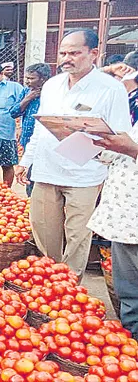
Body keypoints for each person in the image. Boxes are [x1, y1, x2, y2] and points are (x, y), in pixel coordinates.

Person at [15, 28, 132, 281]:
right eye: (63, 53)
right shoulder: (52, 85)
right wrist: (26, 161)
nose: (66, 58)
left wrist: (93, 150)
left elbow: (120, 136)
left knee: (78, 235)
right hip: (46, 170)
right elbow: (40, 127)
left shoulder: (111, 89)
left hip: (85, 174)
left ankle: (70, 286)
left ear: (94, 54)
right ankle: (50, 278)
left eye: (74, 53)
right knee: (44, 230)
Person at [87, 124, 138, 339]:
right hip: (126, 219)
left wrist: (133, 149)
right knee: (128, 293)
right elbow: (118, 156)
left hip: (130, 217)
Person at [11, 63, 52, 196]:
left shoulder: (53, 94)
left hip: (47, 141)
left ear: (43, 79)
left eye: (31, 78)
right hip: (28, 139)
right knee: (29, 174)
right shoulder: (25, 92)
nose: (27, 81)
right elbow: (14, 112)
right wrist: (29, 98)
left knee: (40, 176)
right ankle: (31, 202)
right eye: (26, 78)